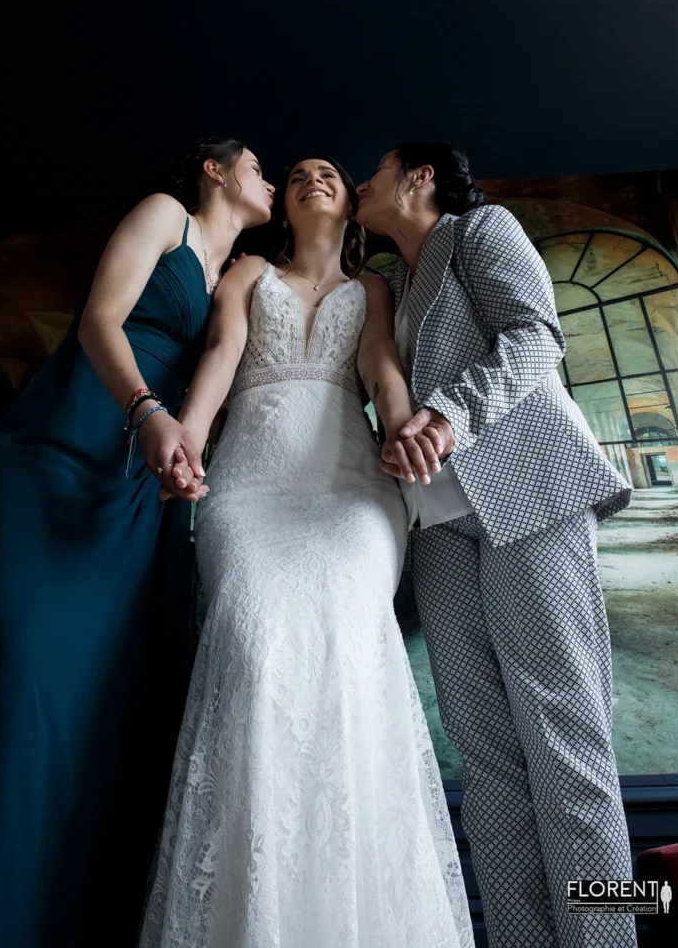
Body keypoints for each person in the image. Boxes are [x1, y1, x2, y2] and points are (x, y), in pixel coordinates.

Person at [0, 138, 274, 948]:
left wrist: (186, 452)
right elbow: (99, 320)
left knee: (101, 705)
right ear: (213, 171)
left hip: (136, 497)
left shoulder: (238, 282)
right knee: (22, 681)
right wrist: (149, 413)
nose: (269, 176)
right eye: (255, 164)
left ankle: (69, 917)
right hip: (56, 460)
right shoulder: (167, 218)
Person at [140, 157, 475, 948]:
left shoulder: (376, 290)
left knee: (350, 650)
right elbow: (221, 356)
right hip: (252, 493)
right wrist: (184, 438)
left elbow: (381, 372)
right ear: (284, 207)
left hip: (350, 495)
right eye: (295, 174)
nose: (312, 177)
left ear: (349, 206)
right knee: (256, 654)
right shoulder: (251, 270)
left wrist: (405, 432)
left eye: (328, 171)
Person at [355, 142, 637, 948]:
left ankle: (609, 939)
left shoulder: (482, 229)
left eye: (375, 169)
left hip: (531, 495)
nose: (363, 181)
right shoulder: (398, 286)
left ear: (418, 177)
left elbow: (534, 337)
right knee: (485, 756)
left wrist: (442, 420)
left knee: (567, 740)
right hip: (440, 528)